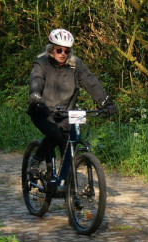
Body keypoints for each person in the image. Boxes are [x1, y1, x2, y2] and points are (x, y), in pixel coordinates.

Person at [27, 28, 117, 169]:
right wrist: (35, 95)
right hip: (43, 111)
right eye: (59, 50)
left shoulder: (76, 65)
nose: (63, 54)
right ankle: (36, 159)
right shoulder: (42, 63)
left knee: (70, 148)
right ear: (51, 49)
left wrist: (106, 101)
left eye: (67, 51)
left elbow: (91, 82)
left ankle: (65, 186)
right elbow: (36, 79)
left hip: (67, 113)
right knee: (55, 134)